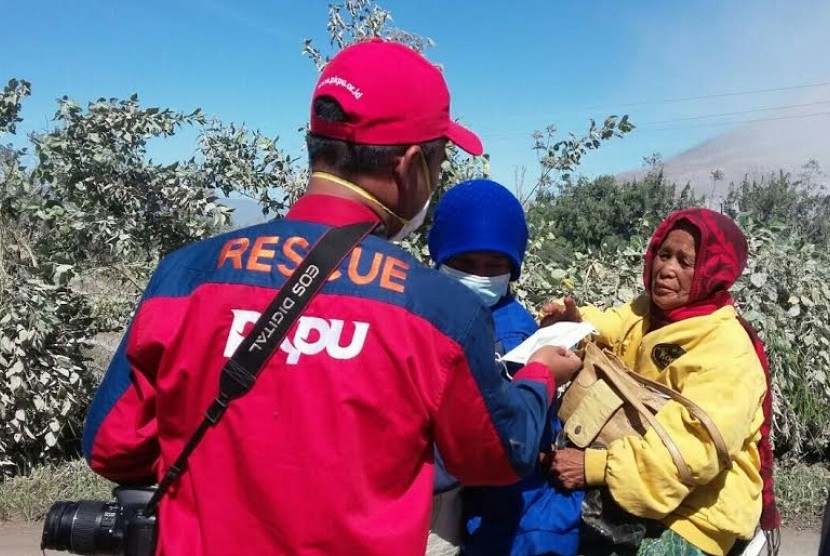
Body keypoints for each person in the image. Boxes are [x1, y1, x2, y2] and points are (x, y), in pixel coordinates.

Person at [81, 39, 583, 556]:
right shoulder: (440, 313)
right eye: (437, 162)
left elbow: (111, 445)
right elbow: (499, 455)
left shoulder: (186, 275)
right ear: (411, 165)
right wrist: (540, 373)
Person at [540, 207, 779, 556]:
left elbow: (691, 453)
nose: (667, 269)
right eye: (664, 255)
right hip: (637, 473)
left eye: (685, 262)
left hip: (695, 514)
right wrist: (577, 321)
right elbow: (616, 324)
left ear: (712, 273)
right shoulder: (651, 310)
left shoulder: (729, 352)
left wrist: (594, 466)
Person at [424, 179, 583, 556]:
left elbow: (503, 444)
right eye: (464, 263)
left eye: (493, 264)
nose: (478, 275)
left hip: (514, 519)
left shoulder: (511, 335)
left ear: (512, 267)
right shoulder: (436, 311)